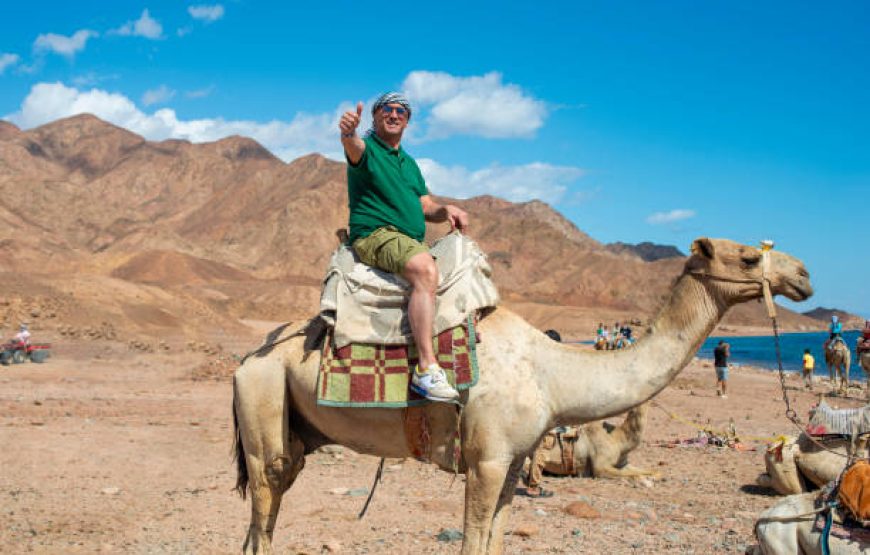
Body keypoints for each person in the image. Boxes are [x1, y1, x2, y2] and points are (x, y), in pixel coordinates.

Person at [339, 92, 469, 403]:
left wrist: (446, 210)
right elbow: (354, 148)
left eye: (401, 111)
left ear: (407, 121)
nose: (394, 114)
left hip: (410, 240)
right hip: (377, 235)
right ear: (375, 116)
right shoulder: (368, 149)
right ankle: (426, 368)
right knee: (425, 269)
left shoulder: (410, 164)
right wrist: (348, 134)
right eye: (387, 109)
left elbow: (425, 206)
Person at [523, 329, 562, 498]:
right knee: (543, 447)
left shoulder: (531, 360)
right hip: (543, 412)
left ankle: (526, 476)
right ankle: (533, 486)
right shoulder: (551, 365)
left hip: (527, 409)